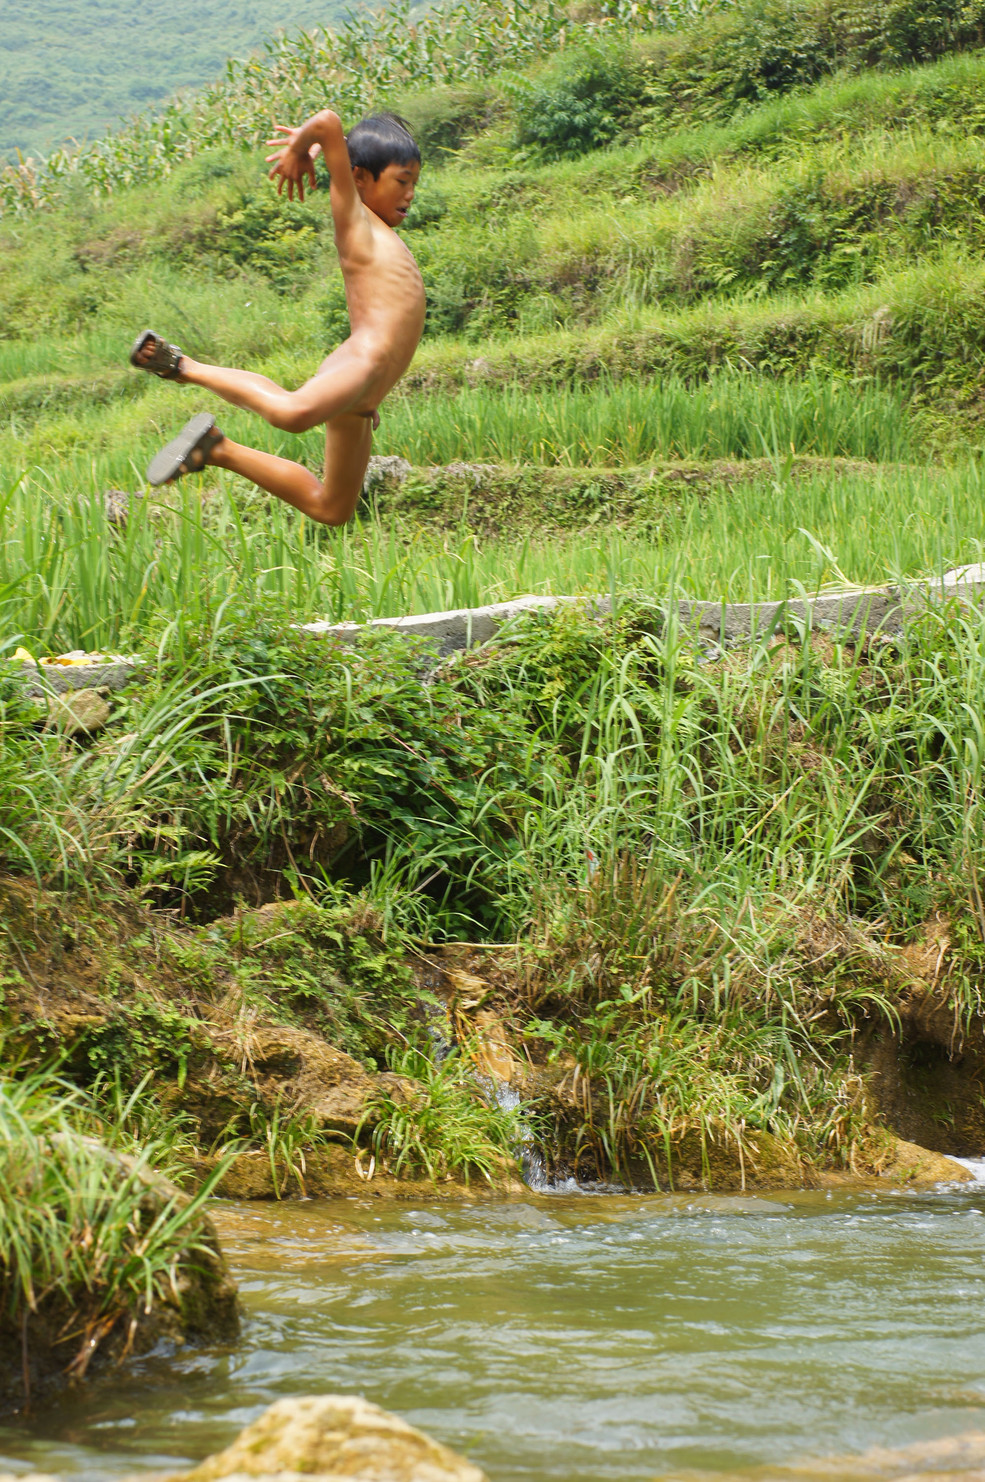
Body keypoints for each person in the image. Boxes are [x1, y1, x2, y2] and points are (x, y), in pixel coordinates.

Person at [129, 111, 425, 526]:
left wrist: (370, 393)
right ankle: (180, 365)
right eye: (402, 180)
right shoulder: (354, 215)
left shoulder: (382, 231)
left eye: (414, 183)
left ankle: (215, 449)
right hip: (364, 360)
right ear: (359, 178)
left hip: (366, 386)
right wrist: (303, 147)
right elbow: (327, 120)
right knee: (292, 415)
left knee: (332, 508)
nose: (410, 193)